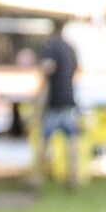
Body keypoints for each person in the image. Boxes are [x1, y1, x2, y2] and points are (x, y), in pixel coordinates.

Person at [32, 21, 85, 190]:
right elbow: (77, 70)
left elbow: (48, 68)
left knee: (44, 140)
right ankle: (73, 176)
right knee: (72, 141)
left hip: (54, 102)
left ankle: (38, 177)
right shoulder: (70, 48)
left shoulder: (51, 47)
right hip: (69, 99)